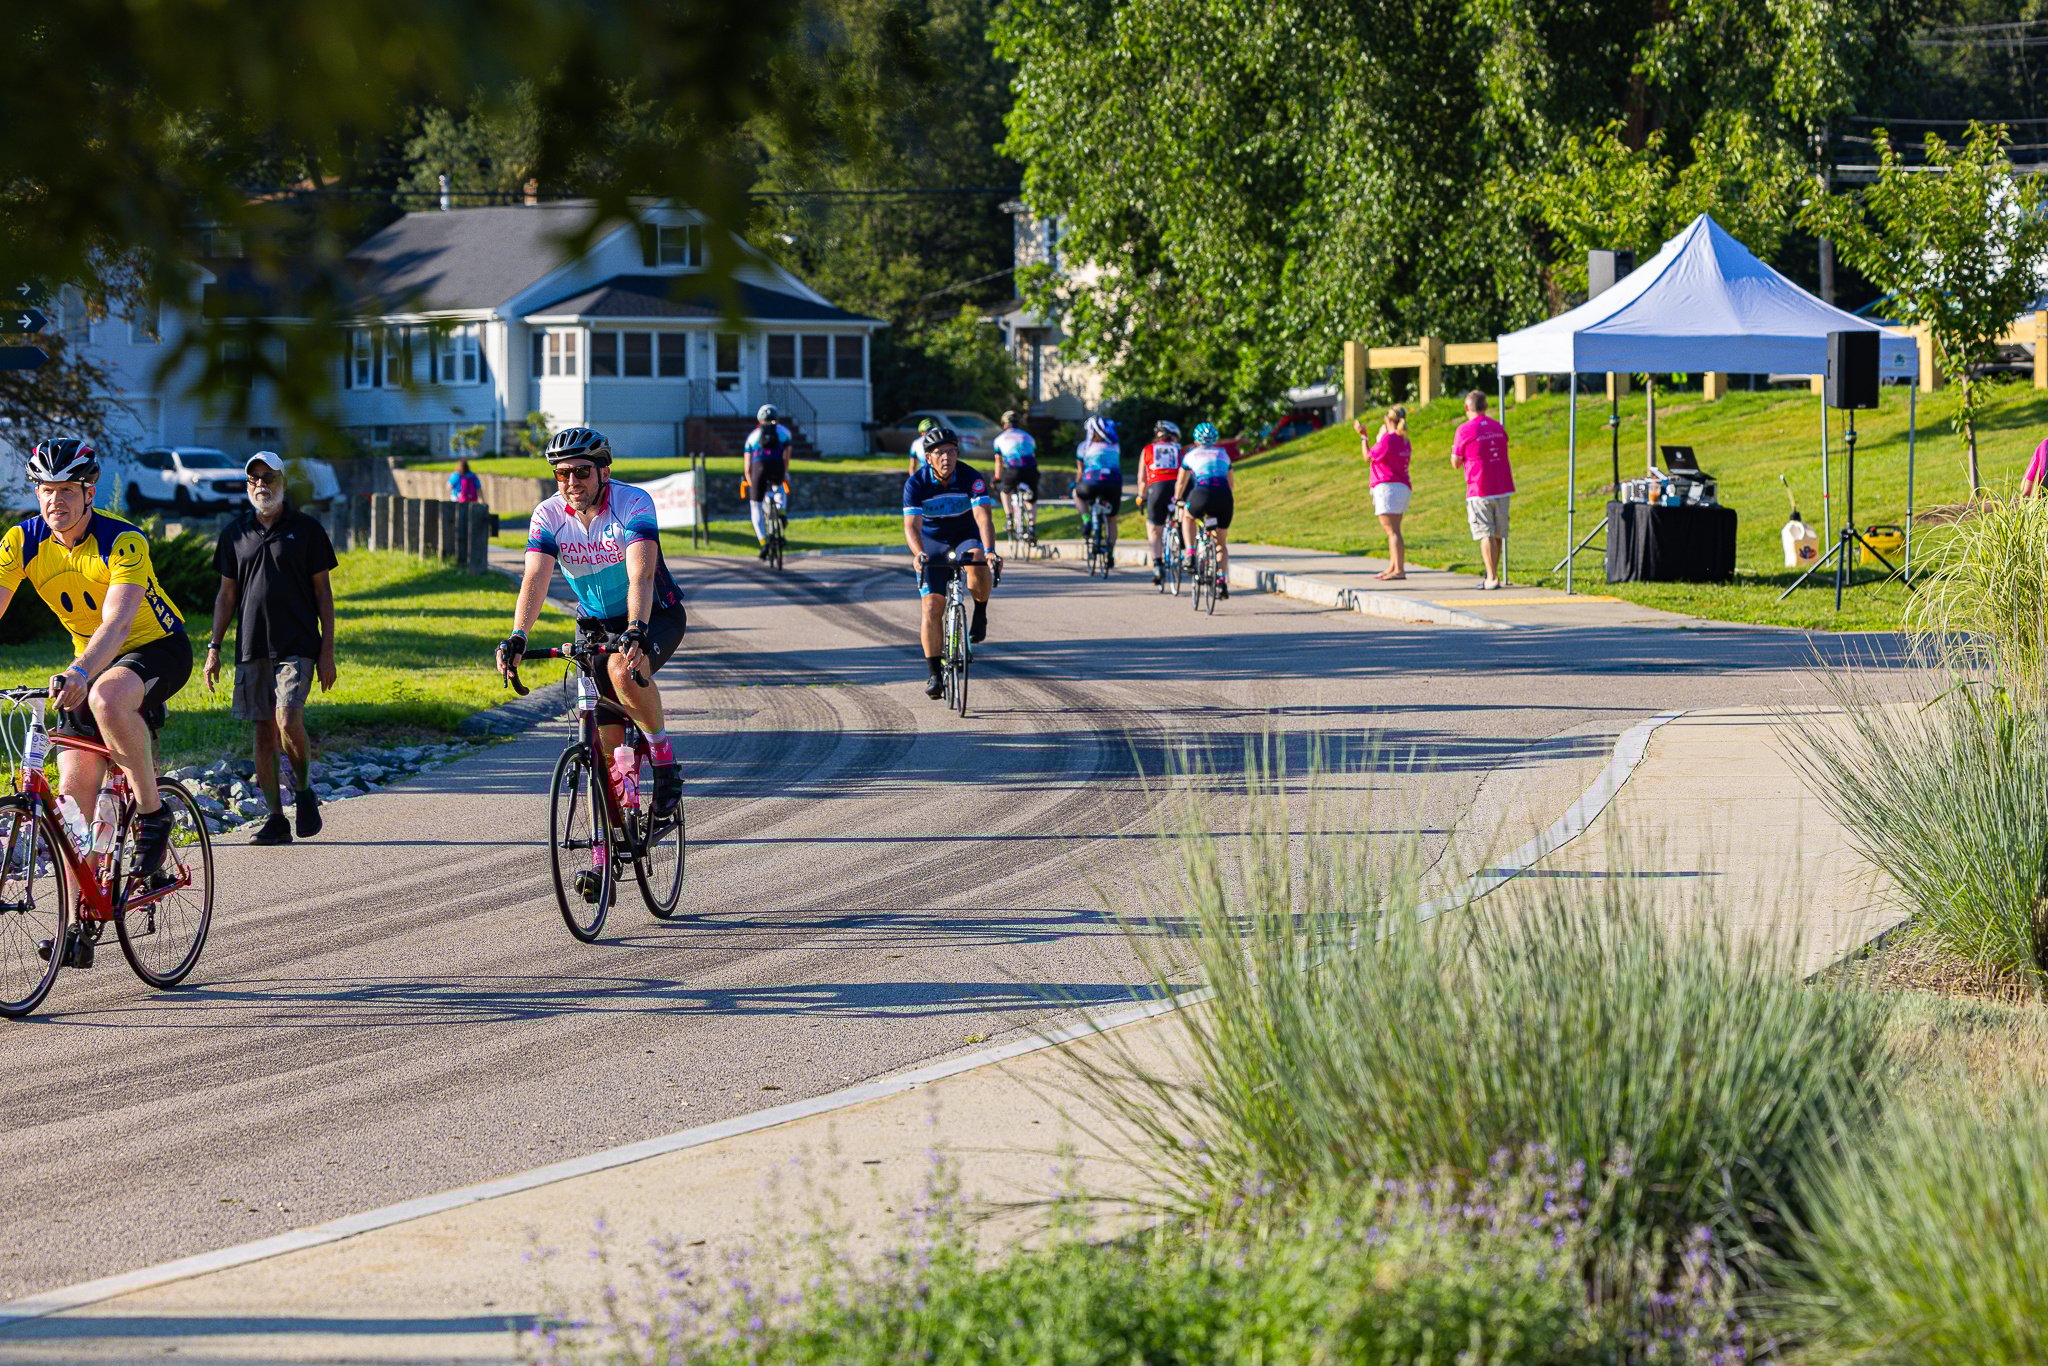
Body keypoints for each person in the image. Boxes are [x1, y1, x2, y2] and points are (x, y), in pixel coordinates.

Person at [0, 440, 190, 909]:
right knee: (71, 800)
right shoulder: (20, 542)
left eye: (66, 489)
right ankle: (81, 912)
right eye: (45, 489)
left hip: (156, 648)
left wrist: (80, 671)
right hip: (88, 664)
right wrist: (81, 671)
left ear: (90, 492)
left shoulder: (122, 541)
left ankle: (152, 812)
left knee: (106, 697)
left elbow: (119, 622)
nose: (54, 500)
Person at [496, 427, 687, 817]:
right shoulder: (548, 515)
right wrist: (518, 635)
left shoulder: (633, 502)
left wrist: (636, 627)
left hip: (653, 613)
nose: (571, 482)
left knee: (622, 670)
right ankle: (609, 853)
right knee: (604, 747)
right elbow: (535, 578)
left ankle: (664, 762)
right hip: (594, 625)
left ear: (604, 470)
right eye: (561, 474)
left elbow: (642, 575)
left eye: (581, 472)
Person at [204, 452, 339, 845]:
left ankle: (303, 790)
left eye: (268, 477)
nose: (261, 484)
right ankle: (276, 818)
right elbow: (225, 597)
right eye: (254, 479)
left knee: (286, 718)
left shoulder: (307, 530)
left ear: (283, 481)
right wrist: (214, 648)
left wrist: (327, 651)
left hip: (297, 644)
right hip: (250, 647)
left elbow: (323, 596)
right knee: (263, 734)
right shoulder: (234, 534)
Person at [902, 427, 999, 698]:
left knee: (977, 559)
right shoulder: (916, 483)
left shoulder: (971, 477)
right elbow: (911, 526)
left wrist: (990, 549)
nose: (946, 457)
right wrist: (919, 553)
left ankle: (980, 611)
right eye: (939, 453)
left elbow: (983, 517)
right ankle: (934, 673)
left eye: (951, 451)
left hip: (964, 536)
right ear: (928, 458)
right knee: (932, 606)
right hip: (932, 541)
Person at [1452, 389, 1515, 589]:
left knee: (1485, 532)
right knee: (1498, 533)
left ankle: (1491, 576)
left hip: (1479, 487)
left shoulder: (1464, 430)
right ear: (1485, 407)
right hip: (1502, 485)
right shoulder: (1498, 427)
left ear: (1466, 408)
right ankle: (1493, 575)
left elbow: (1456, 462)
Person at [1173, 422, 1234, 600]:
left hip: (1201, 494)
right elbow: (1231, 485)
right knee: (1221, 543)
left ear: (1196, 440)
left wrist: (1177, 499)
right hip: (1223, 498)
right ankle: (1221, 581)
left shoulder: (1191, 454)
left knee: (1188, 517)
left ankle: (1190, 552)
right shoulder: (1224, 454)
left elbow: (1181, 483)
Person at [1356, 405, 1412, 580]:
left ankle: (1399, 570)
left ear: (1388, 420)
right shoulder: (1404, 440)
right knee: (1394, 530)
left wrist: (1364, 437)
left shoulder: (1388, 439)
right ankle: (1393, 566)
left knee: (1393, 531)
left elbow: (1368, 456)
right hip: (1401, 487)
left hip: (1388, 488)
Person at [742, 405, 792, 561]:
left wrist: (751, 482)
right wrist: (784, 472)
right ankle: (781, 511)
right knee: (780, 486)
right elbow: (786, 458)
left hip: (759, 469)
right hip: (777, 466)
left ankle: (763, 542)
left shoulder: (752, 436)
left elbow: (747, 465)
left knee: (755, 506)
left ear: (760, 419)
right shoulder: (784, 433)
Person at [1137, 419, 1184, 585]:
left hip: (1156, 489)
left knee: (1154, 530)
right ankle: (1184, 546)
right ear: (1172, 436)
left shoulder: (1147, 450)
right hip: (1176, 487)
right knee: (1181, 518)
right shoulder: (1178, 450)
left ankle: (1157, 566)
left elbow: (1143, 479)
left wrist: (1141, 497)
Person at [1072, 416, 1123, 558]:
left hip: (1091, 483)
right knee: (1112, 518)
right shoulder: (1115, 445)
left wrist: (1076, 484)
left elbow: (1081, 471)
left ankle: (1087, 520)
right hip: (1113, 483)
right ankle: (1110, 553)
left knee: (1077, 493)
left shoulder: (1084, 446)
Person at [992, 411, 1039, 540]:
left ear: (1004, 424)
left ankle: (1009, 518)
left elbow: (999, 462)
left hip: (1013, 470)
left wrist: (997, 478)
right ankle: (1032, 527)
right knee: (1031, 499)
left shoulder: (999, 439)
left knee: (1005, 491)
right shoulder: (1029, 437)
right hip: (1030, 470)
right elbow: (1033, 456)